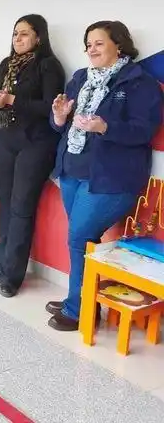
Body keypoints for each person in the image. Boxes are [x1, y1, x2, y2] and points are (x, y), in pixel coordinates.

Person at [46, 21, 162, 332]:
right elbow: (62, 124)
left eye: (99, 43)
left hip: (112, 178)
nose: (91, 49)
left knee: (78, 237)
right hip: (71, 172)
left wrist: (104, 127)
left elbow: (143, 130)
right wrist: (58, 116)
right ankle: (83, 299)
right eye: (88, 44)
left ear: (119, 45)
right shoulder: (80, 79)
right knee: (84, 240)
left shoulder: (140, 83)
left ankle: (77, 310)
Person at [0, 15, 66, 297]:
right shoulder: (7, 64)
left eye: (24, 34)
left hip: (36, 142)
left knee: (21, 206)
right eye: (15, 34)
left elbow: (50, 108)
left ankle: (12, 275)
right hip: (7, 136)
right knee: (5, 202)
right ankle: (0, 262)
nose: (17, 39)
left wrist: (12, 100)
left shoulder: (48, 65)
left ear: (39, 37)